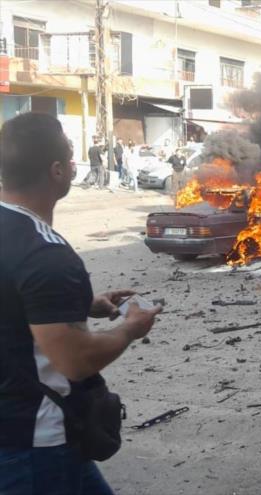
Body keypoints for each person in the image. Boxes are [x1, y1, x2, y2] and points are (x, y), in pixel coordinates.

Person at [0, 113, 162, 494]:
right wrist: (129, 329)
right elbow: (76, 360)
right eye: (71, 160)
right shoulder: (45, 253)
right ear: (57, 171)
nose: (74, 167)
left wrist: (81, 304)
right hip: (34, 445)